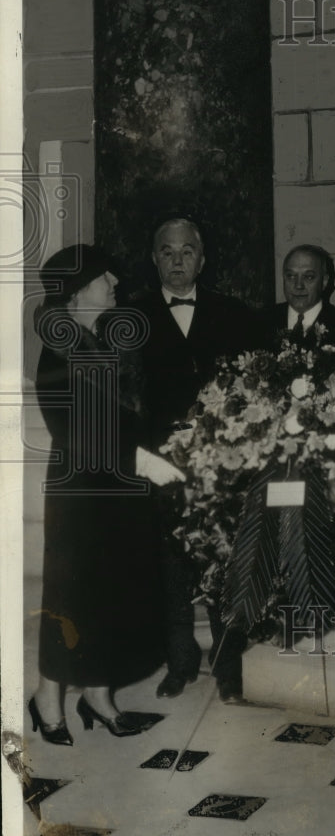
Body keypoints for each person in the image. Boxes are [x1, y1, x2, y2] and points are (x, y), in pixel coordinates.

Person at [30, 244, 184, 743]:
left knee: (110, 597)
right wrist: (139, 460)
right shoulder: (59, 350)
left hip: (119, 491)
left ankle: (97, 696)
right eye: (103, 278)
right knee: (72, 596)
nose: (115, 282)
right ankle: (46, 699)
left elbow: (131, 415)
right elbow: (74, 431)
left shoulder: (112, 341)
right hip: (81, 492)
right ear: (77, 294)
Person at [134, 217, 260, 701]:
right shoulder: (134, 317)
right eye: (167, 251)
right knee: (171, 570)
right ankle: (179, 662)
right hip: (161, 466)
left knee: (225, 570)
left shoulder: (235, 314)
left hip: (224, 466)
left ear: (202, 259)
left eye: (187, 251)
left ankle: (229, 666)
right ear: (154, 259)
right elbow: (128, 401)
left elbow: (255, 391)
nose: (178, 261)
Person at [266, 244, 335, 349]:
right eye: (291, 276)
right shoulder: (259, 323)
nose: (298, 285)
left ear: (324, 281)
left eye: (308, 277)